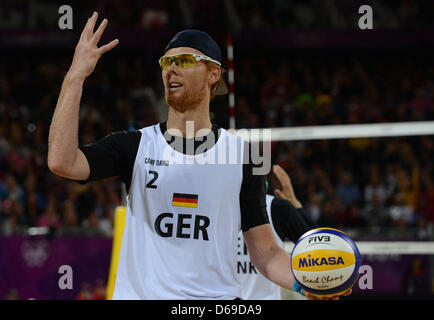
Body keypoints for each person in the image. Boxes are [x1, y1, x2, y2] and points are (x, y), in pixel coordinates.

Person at [48, 12, 349, 300]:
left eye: (185, 60)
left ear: (213, 74)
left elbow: (266, 252)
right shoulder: (134, 145)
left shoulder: (246, 157)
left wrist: (305, 283)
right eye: (167, 62)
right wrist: (75, 77)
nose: (171, 69)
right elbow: (62, 162)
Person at [237, 164, 317, 299]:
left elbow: (318, 248)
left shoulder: (277, 207)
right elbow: (319, 247)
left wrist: (295, 207)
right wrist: (297, 207)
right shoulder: (277, 207)